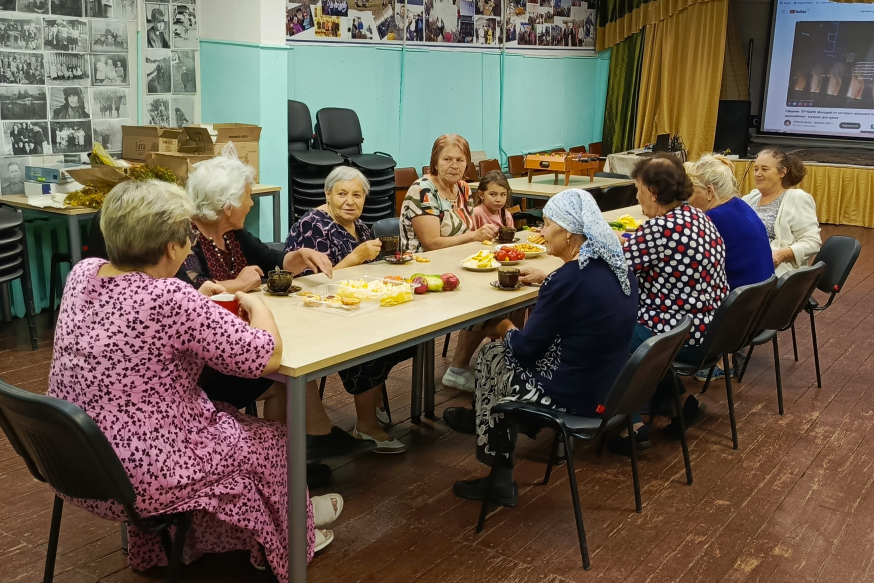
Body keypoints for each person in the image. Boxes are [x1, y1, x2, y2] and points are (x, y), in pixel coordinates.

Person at [47, 180, 342, 582]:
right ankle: (294, 537)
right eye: (187, 236)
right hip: (141, 472)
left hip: (71, 458)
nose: (191, 245)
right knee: (275, 442)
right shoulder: (168, 295)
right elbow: (266, 354)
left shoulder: (82, 274)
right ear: (170, 248)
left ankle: (238, 528)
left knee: (224, 415)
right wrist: (252, 301)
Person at [443, 188, 638, 504]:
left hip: (574, 396)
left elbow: (524, 349)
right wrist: (549, 277)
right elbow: (578, 285)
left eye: (547, 224)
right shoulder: (618, 266)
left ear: (569, 233)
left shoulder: (566, 280)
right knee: (497, 359)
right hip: (611, 386)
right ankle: (487, 417)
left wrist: (502, 325)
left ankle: (500, 472)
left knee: (492, 356)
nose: (541, 232)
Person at [183, 155, 333, 423]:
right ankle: (303, 448)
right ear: (228, 205)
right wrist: (238, 285)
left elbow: (273, 261)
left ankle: (307, 444)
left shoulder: (232, 234)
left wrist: (300, 255)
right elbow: (192, 289)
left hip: (237, 340)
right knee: (287, 372)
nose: (251, 203)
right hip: (207, 364)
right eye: (248, 196)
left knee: (293, 363)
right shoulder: (187, 237)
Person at [284, 165, 412, 455]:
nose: (350, 201)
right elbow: (311, 285)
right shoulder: (313, 225)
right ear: (327, 194)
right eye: (342, 194)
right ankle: (366, 425)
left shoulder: (361, 226)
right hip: (317, 315)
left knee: (404, 332)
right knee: (368, 344)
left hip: (357, 308)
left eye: (357, 195)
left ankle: (374, 400)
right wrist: (355, 257)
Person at [617, 154, 729, 452]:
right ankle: (682, 403)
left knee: (611, 332)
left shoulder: (660, 229)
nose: (636, 195)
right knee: (647, 331)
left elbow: (614, 271)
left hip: (680, 334)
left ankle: (632, 425)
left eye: (638, 188)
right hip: (707, 328)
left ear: (653, 192)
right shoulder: (697, 217)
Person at [400, 134, 500, 393]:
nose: (454, 165)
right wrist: (474, 236)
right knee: (485, 299)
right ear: (435, 161)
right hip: (421, 272)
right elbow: (432, 242)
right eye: (447, 159)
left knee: (506, 292)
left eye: (460, 159)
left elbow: (462, 235)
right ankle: (459, 369)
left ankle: (485, 364)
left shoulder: (463, 188)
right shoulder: (422, 190)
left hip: (455, 265)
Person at [742, 148, 821, 277]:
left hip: (775, 271)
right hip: (745, 261)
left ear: (782, 172)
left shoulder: (797, 198)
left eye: (764, 169)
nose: (757, 174)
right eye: (756, 169)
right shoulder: (751, 198)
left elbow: (812, 242)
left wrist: (780, 255)